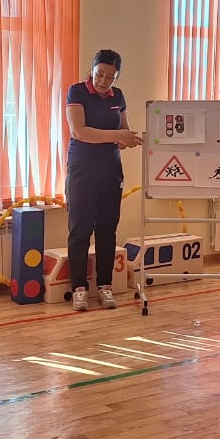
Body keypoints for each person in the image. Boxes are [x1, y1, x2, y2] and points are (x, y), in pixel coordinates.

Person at [65, 49, 142, 311]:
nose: (103, 81)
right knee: (80, 230)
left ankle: (105, 286)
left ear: (116, 77)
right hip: (82, 170)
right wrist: (116, 136)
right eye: (99, 74)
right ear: (92, 69)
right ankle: (79, 288)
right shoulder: (76, 92)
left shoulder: (118, 96)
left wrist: (127, 139)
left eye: (110, 77)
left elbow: (122, 130)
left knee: (107, 230)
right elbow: (80, 132)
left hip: (110, 170)